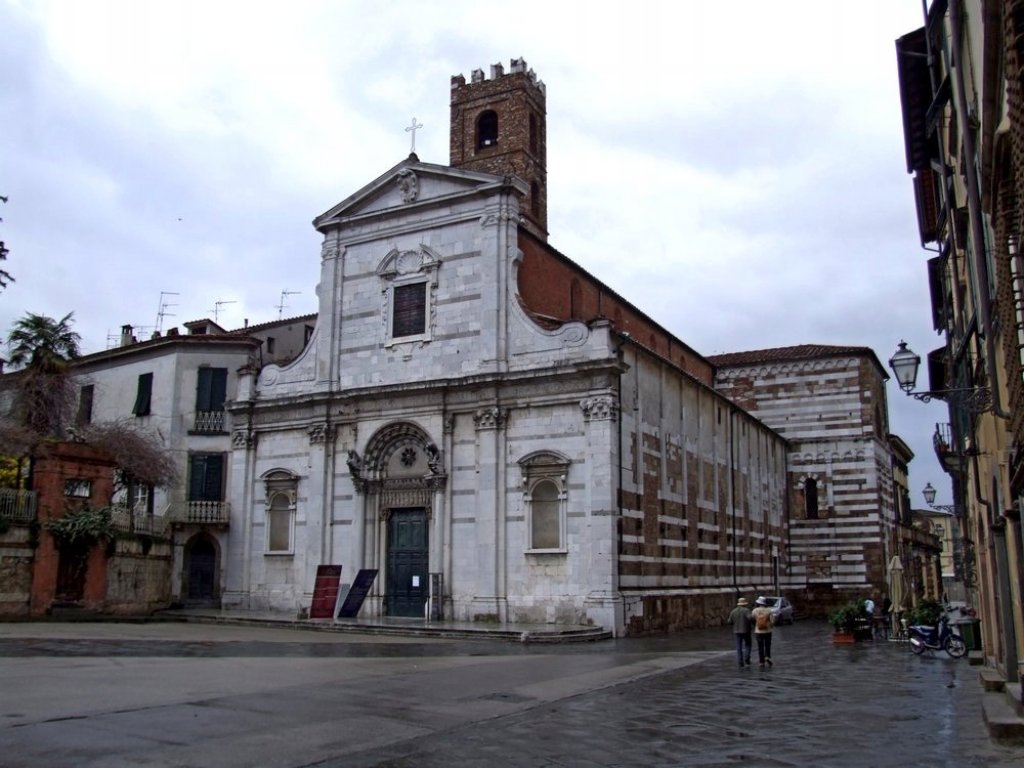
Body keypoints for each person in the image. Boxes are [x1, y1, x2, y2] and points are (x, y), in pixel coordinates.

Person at [727, 596, 753, 668]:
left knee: (739, 647)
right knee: (748, 645)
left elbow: (729, 621)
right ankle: (747, 659)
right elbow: (750, 618)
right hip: (746, 630)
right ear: (744, 604)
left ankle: (740, 662)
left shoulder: (733, 611)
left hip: (736, 631)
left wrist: (734, 623)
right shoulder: (746, 610)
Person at [751, 596, 775, 668]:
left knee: (760, 646)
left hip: (758, 631)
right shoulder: (769, 610)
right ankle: (767, 656)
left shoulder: (755, 610)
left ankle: (761, 662)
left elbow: (752, 619)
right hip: (768, 631)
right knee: (767, 645)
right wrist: (771, 626)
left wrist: (756, 625)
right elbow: (772, 621)